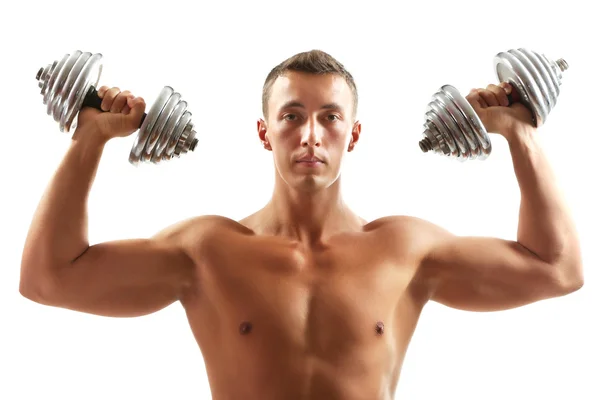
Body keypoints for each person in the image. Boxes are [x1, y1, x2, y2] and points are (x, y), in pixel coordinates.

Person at [19, 49, 584, 400]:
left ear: (353, 135)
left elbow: (557, 270)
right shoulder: (208, 252)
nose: (310, 134)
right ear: (265, 132)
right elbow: (48, 278)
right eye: (291, 116)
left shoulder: (404, 251)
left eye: (329, 117)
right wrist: (90, 137)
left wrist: (520, 133)